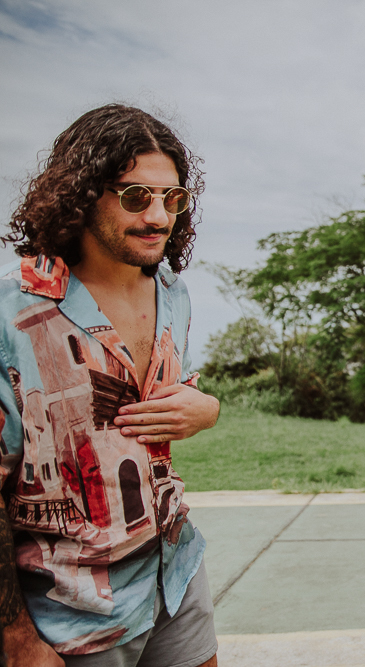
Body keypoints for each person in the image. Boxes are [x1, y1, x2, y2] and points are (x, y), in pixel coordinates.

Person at [0, 105, 220, 667]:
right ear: (82, 193)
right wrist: (17, 638)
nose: (158, 216)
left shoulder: (173, 293)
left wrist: (207, 409)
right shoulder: (13, 314)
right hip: (69, 614)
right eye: (135, 197)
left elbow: (177, 394)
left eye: (173, 199)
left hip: (175, 573)